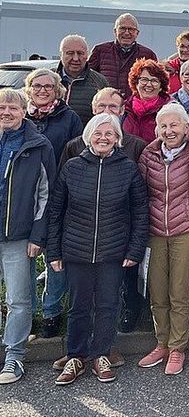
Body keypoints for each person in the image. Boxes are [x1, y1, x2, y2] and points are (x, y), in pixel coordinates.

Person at [48, 114, 149, 385]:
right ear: (88, 137)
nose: (103, 138)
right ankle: (76, 356)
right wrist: (54, 251)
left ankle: (101, 354)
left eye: (109, 134)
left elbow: (140, 212)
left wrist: (134, 250)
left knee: (108, 305)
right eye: (98, 133)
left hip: (113, 251)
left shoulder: (128, 169)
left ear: (117, 139)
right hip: (76, 250)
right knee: (78, 306)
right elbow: (56, 211)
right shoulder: (72, 167)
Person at [137, 104, 189, 376]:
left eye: (175, 125)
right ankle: (162, 343)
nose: (169, 131)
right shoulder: (149, 154)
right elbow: (140, 189)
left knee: (179, 291)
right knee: (157, 291)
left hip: (186, 229)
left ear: (185, 127)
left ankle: (178, 347)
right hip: (155, 230)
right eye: (164, 126)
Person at [0, 89, 55, 385]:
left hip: (19, 236)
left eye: (12, 107)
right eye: (1, 107)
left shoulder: (38, 145)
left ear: (24, 111)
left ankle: (15, 355)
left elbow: (46, 195)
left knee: (18, 300)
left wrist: (38, 235)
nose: (6, 112)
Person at [24, 68, 82, 339]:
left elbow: (76, 154)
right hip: (24, 197)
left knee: (55, 256)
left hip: (59, 194)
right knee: (24, 257)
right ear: (29, 89)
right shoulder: (21, 117)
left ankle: (51, 312)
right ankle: (27, 313)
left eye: (48, 86)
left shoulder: (69, 118)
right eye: (37, 86)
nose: (42, 90)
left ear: (58, 90)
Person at [60, 88, 147, 168]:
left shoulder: (137, 146)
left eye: (113, 106)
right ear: (94, 109)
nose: (107, 111)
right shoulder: (74, 146)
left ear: (122, 110)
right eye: (101, 106)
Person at [89, 13, 157, 99]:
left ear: (137, 33)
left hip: (134, 105)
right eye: (122, 28)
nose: (127, 33)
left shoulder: (148, 55)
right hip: (105, 103)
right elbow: (88, 78)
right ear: (115, 31)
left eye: (131, 29)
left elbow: (156, 84)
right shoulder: (100, 51)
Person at [55, 35, 108, 125]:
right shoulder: (49, 80)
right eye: (70, 53)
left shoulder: (99, 82)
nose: (75, 58)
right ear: (61, 55)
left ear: (87, 55)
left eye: (80, 53)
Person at [123, 59, 171, 144]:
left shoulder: (169, 109)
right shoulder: (124, 109)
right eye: (144, 80)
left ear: (161, 87)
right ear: (136, 83)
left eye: (154, 81)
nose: (149, 85)